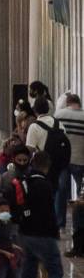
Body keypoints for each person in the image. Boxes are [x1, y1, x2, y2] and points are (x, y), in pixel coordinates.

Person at [9, 151, 63, 278]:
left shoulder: (25, 181)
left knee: (29, 269)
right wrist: (54, 231)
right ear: (47, 166)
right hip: (42, 234)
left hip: (25, 233)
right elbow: (49, 212)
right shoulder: (45, 184)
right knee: (55, 269)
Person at [56, 93, 84, 230]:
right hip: (80, 160)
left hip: (62, 159)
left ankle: (60, 223)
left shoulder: (59, 115)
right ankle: (79, 225)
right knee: (80, 193)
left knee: (61, 191)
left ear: (68, 102)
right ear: (79, 103)